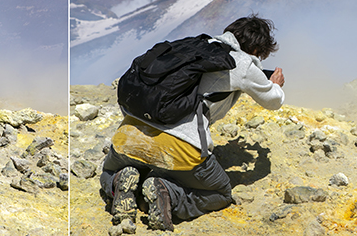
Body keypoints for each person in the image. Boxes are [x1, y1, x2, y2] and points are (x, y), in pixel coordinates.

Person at [100, 14, 286, 230]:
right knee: (219, 192)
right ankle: (167, 192)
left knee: (108, 173)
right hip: (179, 147)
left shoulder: (189, 45)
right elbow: (273, 101)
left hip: (129, 136)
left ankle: (120, 180)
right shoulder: (242, 63)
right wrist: (276, 85)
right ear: (256, 51)